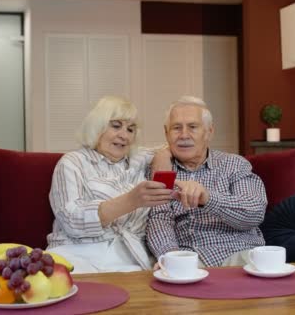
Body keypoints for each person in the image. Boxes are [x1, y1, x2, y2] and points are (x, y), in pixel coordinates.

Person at [46, 96, 174, 273]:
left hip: (128, 258)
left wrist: (163, 156)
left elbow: (172, 145)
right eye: (115, 126)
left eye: (130, 129)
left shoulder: (137, 160)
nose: (124, 135)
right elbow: (71, 220)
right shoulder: (72, 163)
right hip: (76, 253)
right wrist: (130, 201)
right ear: (97, 127)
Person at [146, 96, 267, 268]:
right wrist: (170, 254)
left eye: (193, 127)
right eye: (176, 128)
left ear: (209, 132)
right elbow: (159, 217)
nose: (184, 135)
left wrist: (208, 199)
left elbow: (254, 212)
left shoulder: (234, 164)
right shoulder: (163, 170)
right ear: (166, 133)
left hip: (239, 253)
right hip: (190, 259)